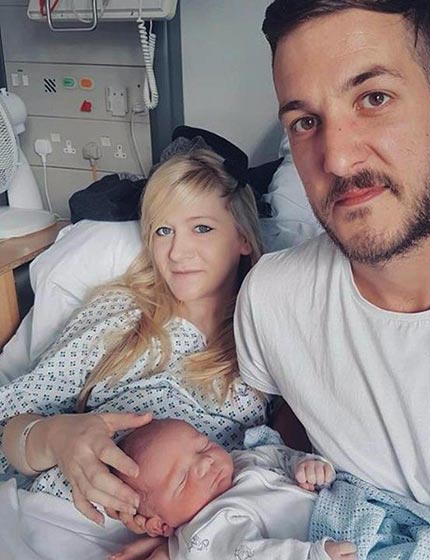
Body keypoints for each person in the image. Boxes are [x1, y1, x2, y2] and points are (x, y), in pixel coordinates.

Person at [230, 2, 430, 560]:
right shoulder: (270, 299)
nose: (337, 158)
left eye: (373, 98)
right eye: (305, 122)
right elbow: (274, 439)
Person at [0, 143, 268, 531]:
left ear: (242, 237)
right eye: (163, 231)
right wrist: (56, 436)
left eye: (202, 228)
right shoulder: (121, 320)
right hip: (50, 518)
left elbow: (293, 458)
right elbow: (6, 426)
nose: (177, 252)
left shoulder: (263, 338)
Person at [112, 418, 356, 560]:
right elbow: (252, 555)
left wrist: (309, 466)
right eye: (183, 478)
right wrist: (311, 555)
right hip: (326, 544)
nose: (206, 462)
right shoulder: (206, 529)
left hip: (346, 510)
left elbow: (281, 456)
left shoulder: (241, 460)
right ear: (161, 526)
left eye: (204, 446)